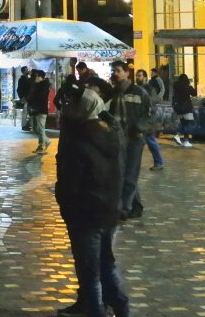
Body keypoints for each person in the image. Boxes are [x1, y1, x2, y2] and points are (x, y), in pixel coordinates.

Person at [56, 85, 130, 317]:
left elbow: (69, 183)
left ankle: (95, 311)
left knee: (89, 272)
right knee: (106, 264)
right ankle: (122, 308)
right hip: (109, 210)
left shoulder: (78, 140)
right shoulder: (113, 133)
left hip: (85, 213)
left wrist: (66, 207)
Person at [108, 61, 149, 220]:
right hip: (117, 138)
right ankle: (135, 206)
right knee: (122, 173)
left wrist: (139, 128)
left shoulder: (139, 92)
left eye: (118, 70)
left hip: (134, 139)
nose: (115, 73)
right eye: (113, 71)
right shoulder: (112, 93)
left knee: (130, 174)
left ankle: (124, 208)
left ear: (126, 73)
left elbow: (150, 114)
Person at [134, 69, 165, 171]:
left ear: (145, 77)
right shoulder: (137, 88)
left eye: (139, 76)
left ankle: (159, 162)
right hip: (141, 118)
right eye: (137, 76)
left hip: (147, 118)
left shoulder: (148, 88)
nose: (137, 77)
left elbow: (153, 101)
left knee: (150, 140)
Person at [28, 68, 52, 154]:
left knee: (40, 129)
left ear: (40, 77)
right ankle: (47, 141)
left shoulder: (44, 85)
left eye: (36, 76)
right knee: (35, 129)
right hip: (35, 109)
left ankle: (41, 146)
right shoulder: (36, 85)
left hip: (42, 109)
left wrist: (33, 94)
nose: (35, 78)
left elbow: (41, 96)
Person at [170, 73, 196, 148]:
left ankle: (182, 139)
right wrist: (190, 86)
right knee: (189, 124)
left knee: (184, 123)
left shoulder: (176, 86)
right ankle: (183, 139)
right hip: (186, 108)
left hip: (179, 108)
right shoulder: (187, 87)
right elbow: (194, 93)